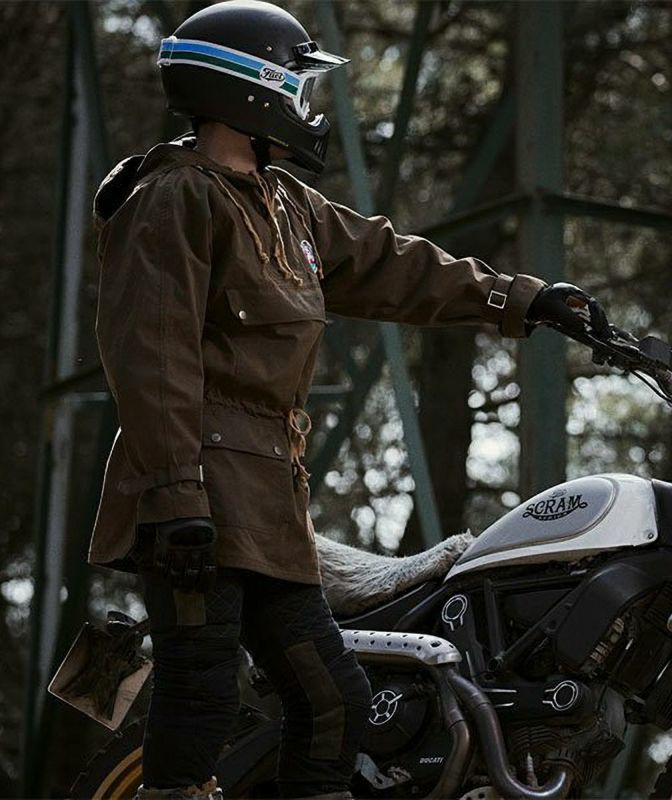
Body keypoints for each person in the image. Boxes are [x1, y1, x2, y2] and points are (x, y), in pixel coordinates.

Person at [87, 1, 607, 798]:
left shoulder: (285, 203)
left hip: (267, 500)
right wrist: (175, 494)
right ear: (250, 89)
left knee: (334, 700)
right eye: (295, 84)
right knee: (200, 684)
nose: (306, 103)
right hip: (196, 489)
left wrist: (520, 299)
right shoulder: (174, 197)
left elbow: (390, 262)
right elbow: (152, 358)